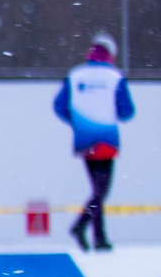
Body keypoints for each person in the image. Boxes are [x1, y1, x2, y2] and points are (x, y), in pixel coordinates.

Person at [56, 34, 134, 252]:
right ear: (111, 54)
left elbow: (59, 106)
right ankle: (82, 227)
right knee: (101, 191)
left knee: (97, 190)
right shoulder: (114, 76)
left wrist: (77, 121)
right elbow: (127, 112)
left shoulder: (75, 75)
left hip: (83, 140)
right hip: (107, 139)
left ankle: (99, 238)